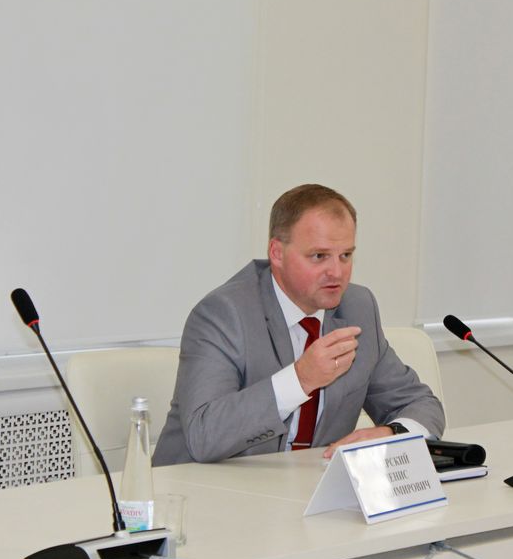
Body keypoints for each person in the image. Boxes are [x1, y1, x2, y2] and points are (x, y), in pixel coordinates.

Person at [152, 184, 445, 465]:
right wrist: (300, 379)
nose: (337, 272)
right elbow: (203, 436)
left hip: (302, 487)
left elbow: (421, 404)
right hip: (196, 488)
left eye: (346, 255)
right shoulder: (224, 313)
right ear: (277, 253)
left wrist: (391, 433)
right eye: (319, 256)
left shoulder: (358, 307)